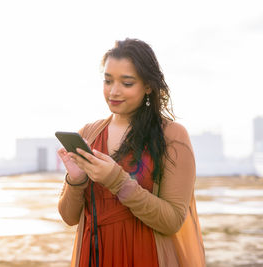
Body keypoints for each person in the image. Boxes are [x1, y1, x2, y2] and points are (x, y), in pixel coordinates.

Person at [57, 38, 205, 267]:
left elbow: (173, 221)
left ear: (148, 86)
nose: (113, 91)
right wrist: (76, 180)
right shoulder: (89, 134)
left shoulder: (172, 136)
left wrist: (116, 180)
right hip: (94, 256)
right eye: (108, 81)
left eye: (126, 83)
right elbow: (69, 218)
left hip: (145, 256)